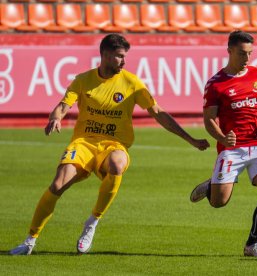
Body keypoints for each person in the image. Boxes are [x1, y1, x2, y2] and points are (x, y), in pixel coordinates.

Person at [10, 34, 210, 255]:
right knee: (58, 185)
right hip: (84, 144)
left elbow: (159, 113)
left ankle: (92, 222)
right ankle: (30, 240)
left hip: (114, 145)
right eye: (119, 56)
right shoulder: (83, 80)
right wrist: (55, 118)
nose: (124, 61)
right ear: (105, 55)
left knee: (117, 163)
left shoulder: (132, 83)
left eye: (125, 56)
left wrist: (190, 139)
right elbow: (62, 106)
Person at [189, 31, 257, 259]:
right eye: (242, 53)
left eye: (250, 53)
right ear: (229, 51)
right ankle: (213, 186)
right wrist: (221, 138)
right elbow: (209, 119)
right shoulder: (216, 84)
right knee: (219, 202)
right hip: (232, 149)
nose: (247, 58)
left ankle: (252, 245)